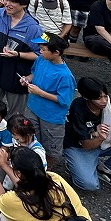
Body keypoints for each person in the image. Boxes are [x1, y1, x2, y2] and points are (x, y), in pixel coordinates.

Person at [63, 77, 111, 193]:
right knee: (89, 185)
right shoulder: (77, 107)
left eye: (105, 96)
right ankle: (74, 163)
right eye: (98, 98)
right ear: (86, 97)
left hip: (103, 142)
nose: (104, 101)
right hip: (79, 147)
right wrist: (100, 137)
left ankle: (107, 168)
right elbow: (85, 144)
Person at [22, 36, 77, 168]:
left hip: (51, 118)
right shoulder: (42, 59)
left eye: (43, 49)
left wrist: (40, 93)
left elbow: (64, 101)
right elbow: (34, 73)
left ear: (56, 53)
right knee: (29, 139)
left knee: (51, 149)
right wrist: (27, 79)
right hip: (33, 108)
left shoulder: (65, 76)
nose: (40, 51)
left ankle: (44, 170)